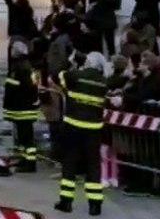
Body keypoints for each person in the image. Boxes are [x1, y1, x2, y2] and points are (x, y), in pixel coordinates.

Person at [55, 52, 108, 216]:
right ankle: (95, 205)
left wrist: (70, 61)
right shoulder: (103, 82)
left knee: (69, 163)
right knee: (93, 164)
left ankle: (66, 201)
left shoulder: (75, 76)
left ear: (87, 62)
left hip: (72, 126)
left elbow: (57, 75)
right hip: (94, 129)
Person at [2, 41, 39, 173]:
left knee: (27, 137)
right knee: (23, 137)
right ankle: (24, 159)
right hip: (22, 108)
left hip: (23, 108)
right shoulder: (24, 65)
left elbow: (18, 88)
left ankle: (30, 163)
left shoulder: (21, 67)